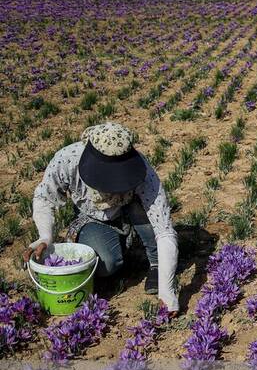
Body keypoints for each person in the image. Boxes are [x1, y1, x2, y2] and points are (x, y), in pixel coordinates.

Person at [23, 122, 179, 315]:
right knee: (106, 265)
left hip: (131, 207)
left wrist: (167, 292)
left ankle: (155, 262)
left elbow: (164, 230)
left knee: (142, 206)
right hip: (94, 217)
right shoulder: (67, 159)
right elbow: (44, 198)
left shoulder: (142, 170)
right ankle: (119, 241)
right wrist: (45, 236)